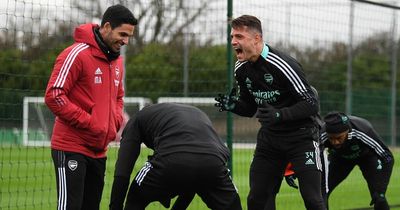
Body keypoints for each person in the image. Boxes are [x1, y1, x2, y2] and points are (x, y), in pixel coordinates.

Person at [215, 15, 325, 210]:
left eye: (239, 36)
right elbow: (249, 108)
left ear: (256, 39)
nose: (233, 42)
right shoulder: (240, 68)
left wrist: (279, 115)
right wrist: (234, 105)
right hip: (269, 141)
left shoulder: (283, 64)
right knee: (257, 199)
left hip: (302, 138)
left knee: (313, 200)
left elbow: (311, 103)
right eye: (232, 36)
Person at [44, 4, 137, 210]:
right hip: (71, 147)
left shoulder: (118, 62)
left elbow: (119, 97)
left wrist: (113, 123)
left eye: (129, 36)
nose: (125, 41)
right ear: (106, 27)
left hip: (99, 151)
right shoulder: (76, 54)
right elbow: (54, 95)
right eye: (122, 34)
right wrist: (89, 122)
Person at [109, 103, 242, 210]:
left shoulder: (137, 119)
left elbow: (122, 172)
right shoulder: (194, 113)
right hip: (213, 161)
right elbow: (192, 177)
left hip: (171, 159)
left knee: (135, 197)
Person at [320, 111, 394, 210]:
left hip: (367, 158)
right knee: (321, 193)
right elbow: (311, 154)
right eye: (331, 138)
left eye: (338, 138)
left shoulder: (363, 130)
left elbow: (387, 157)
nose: (335, 142)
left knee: (378, 196)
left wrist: (381, 189)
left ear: (347, 132)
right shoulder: (321, 134)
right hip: (339, 159)